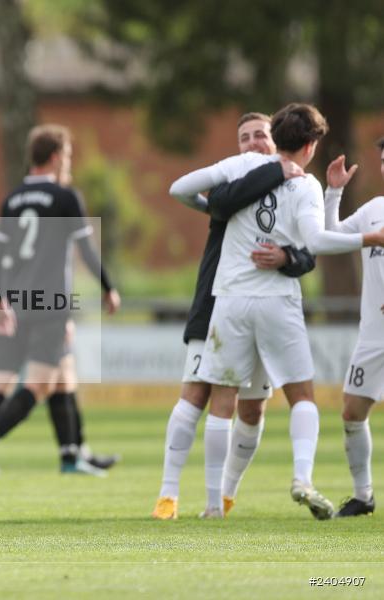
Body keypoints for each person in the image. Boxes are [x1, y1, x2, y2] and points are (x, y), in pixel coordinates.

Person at [178, 103, 384, 520]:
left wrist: (212, 208)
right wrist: (369, 238)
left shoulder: (241, 167)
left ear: (274, 136)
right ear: (310, 146)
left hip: (231, 299)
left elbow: (179, 188)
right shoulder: (304, 185)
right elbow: (318, 241)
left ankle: (213, 505)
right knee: (301, 397)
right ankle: (302, 478)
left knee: (223, 403)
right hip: (277, 302)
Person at [152, 112, 317, 519]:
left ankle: (226, 494)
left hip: (263, 305)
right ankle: (168, 494)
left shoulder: (292, 187)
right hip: (216, 302)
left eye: (260, 134)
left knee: (252, 409)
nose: (253, 142)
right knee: (195, 394)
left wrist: (287, 258)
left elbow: (308, 251)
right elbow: (205, 200)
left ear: (275, 140)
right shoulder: (231, 188)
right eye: (244, 138)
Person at [0, 124, 120, 476]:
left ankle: (71, 455)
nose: (68, 163)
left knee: (57, 376)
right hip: (51, 304)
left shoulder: (13, 197)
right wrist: (108, 286)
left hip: (16, 302)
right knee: (38, 384)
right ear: (54, 157)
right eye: (66, 156)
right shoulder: (66, 197)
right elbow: (85, 249)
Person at [323, 140, 384, 517]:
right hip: (374, 335)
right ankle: (363, 495)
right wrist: (334, 191)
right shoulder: (374, 210)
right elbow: (329, 238)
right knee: (352, 411)